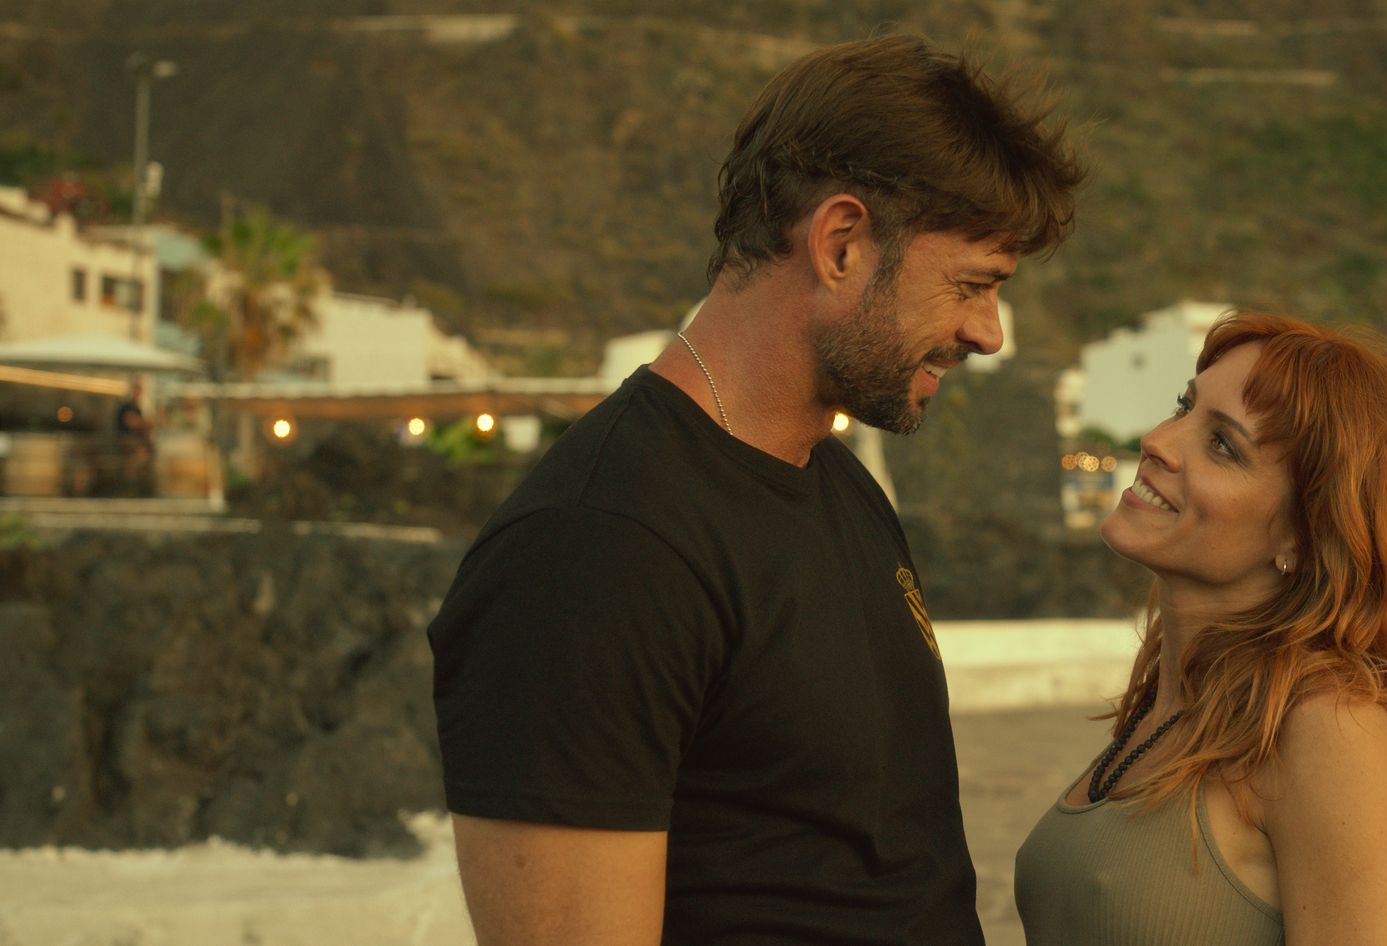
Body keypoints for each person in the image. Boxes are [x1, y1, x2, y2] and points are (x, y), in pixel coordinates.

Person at [427, 34, 1083, 946]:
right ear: (841, 244)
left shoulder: (839, 484)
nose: (989, 332)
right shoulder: (594, 549)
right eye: (972, 285)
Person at [1015, 312, 1387, 946]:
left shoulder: (1327, 728)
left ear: (1306, 533)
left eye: (1222, 445)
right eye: (1183, 407)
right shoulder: (1172, 703)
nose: (1158, 440)